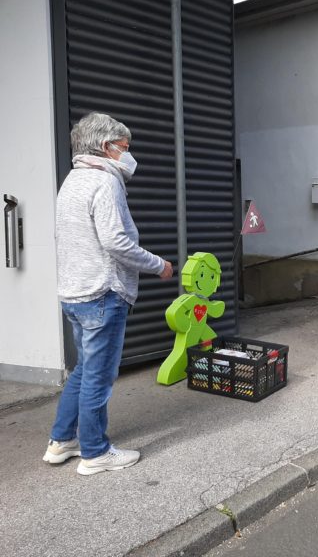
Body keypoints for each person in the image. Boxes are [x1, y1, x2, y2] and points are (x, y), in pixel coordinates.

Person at [43, 112, 173, 475]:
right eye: (125, 148)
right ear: (106, 147)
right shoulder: (105, 181)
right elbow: (116, 241)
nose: (128, 155)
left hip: (74, 293)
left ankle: (61, 441)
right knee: (98, 377)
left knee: (84, 371)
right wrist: (158, 264)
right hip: (102, 293)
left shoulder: (72, 180)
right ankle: (96, 453)